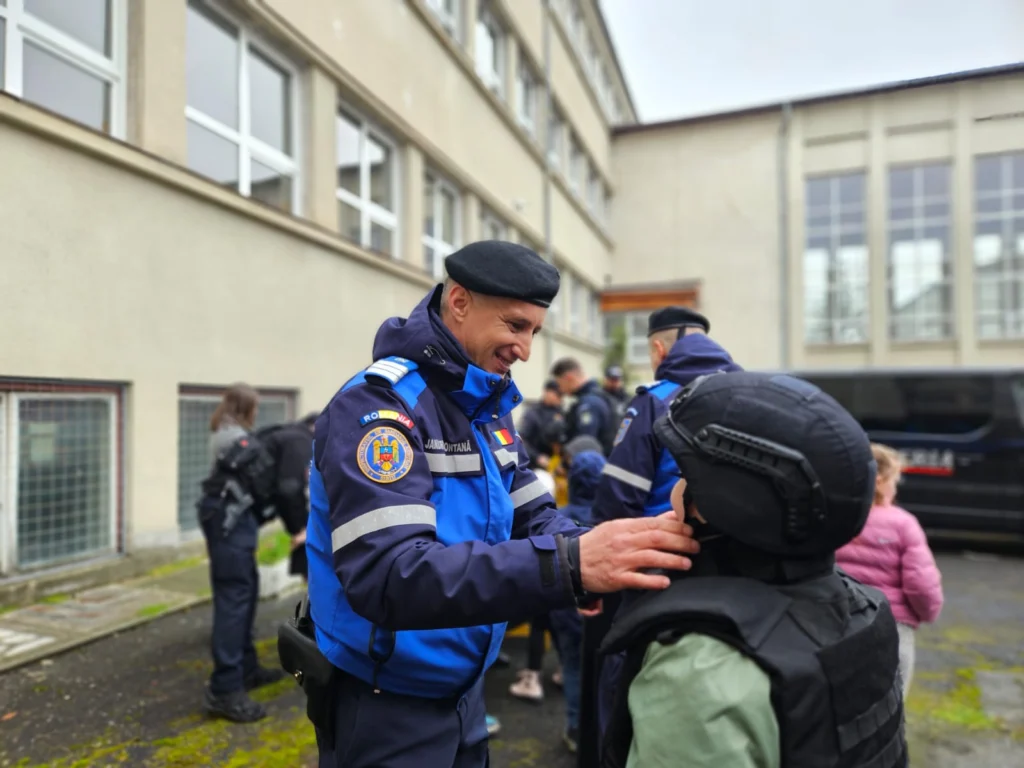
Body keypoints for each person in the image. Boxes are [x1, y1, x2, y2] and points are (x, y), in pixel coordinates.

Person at [305, 240, 700, 768]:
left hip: (464, 693)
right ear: (460, 303)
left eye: (534, 331)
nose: (526, 349)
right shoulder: (380, 406)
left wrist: (592, 554)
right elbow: (391, 575)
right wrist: (568, 566)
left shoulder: (486, 405)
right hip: (387, 701)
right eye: (516, 326)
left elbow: (530, 511)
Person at [599, 370, 907, 768]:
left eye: (682, 477)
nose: (675, 490)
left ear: (716, 506)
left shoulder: (702, 667)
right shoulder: (866, 608)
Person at [577, 306, 742, 763]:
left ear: (658, 348)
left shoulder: (654, 401)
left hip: (656, 567)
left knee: (627, 679)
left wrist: (592, 579)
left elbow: (617, 499)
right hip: (732, 577)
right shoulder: (744, 395)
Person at [197, 384, 285, 723]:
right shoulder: (230, 436)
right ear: (245, 406)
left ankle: (246, 669)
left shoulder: (229, 432)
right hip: (228, 521)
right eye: (255, 407)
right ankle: (224, 689)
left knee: (245, 589)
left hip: (232, 520)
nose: (257, 413)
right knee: (234, 599)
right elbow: (254, 469)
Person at [836, 443, 944, 697]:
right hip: (893, 628)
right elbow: (921, 584)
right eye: (896, 480)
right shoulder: (903, 524)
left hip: (838, 623)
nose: (896, 487)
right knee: (891, 704)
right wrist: (929, 611)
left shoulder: (838, 517)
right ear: (881, 481)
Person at [519, 379, 565, 470]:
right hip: (534, 464)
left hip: (557, 464)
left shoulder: (562, 413)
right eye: (558, 395)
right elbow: (521, 439)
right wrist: (537, 457)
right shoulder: (533, 413)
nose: (560, 398)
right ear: (547, 392)